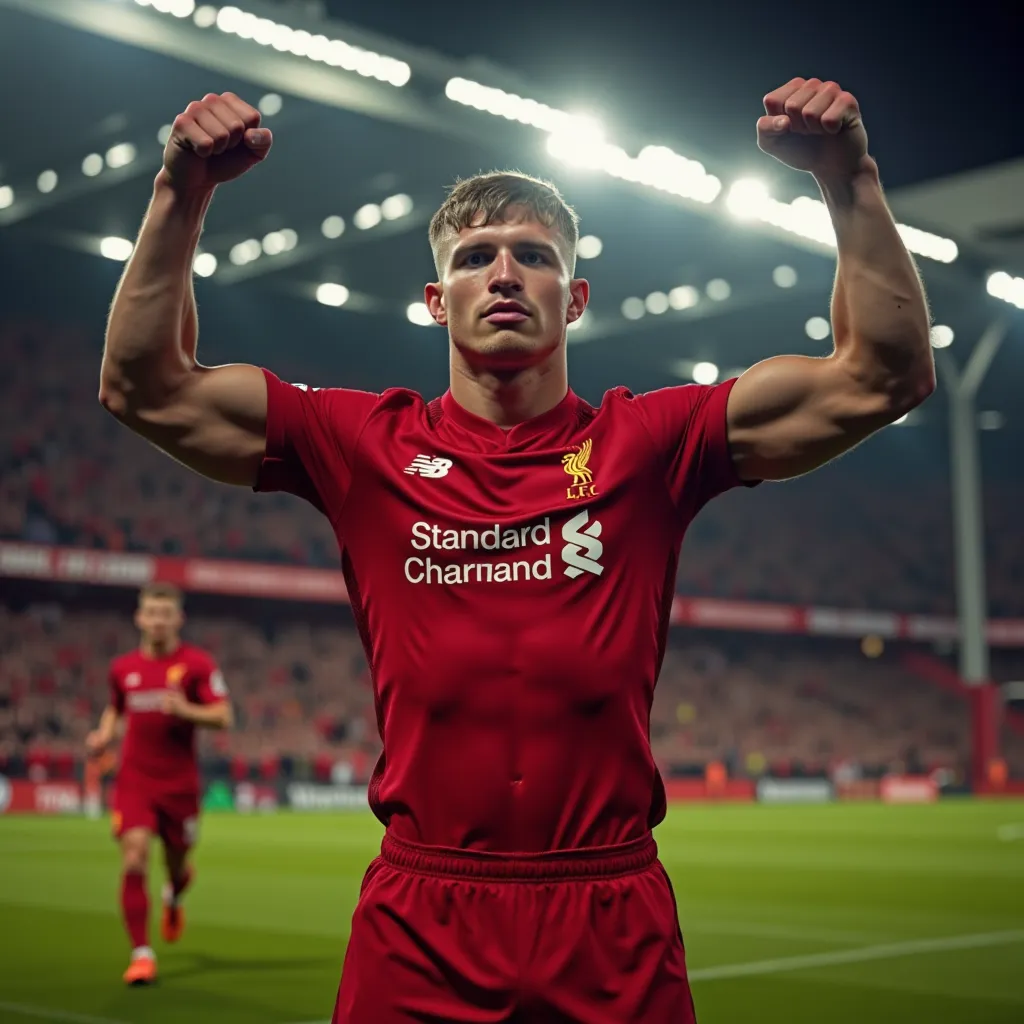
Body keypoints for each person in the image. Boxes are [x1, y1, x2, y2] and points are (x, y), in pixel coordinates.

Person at [99, 78, 933, 1020]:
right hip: (424, 918)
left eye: (533, 257)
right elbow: (144, 388)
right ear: (434, 299)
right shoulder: (362, 444)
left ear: (573, 298)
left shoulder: (651, 444)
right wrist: (180, 195)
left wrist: (848, 177)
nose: (503, 274)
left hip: (611, 915)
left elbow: (884, 374)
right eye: (475, 257)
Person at [85, 582, 232, 986]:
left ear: (178, 619)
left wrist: (187, 709)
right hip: (135, 779)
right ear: (140, 617)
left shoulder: (198, 665)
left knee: (178, 865)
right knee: (133, 856)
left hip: (180, 784)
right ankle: (141, 954)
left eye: (166, 614)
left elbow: (223, 716)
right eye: (151, 613)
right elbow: (115, 709)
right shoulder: (123, 668)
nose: (158, 621)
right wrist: (103, 735)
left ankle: (177, 892)